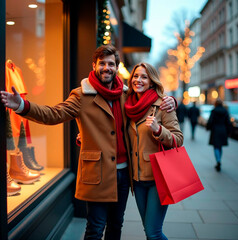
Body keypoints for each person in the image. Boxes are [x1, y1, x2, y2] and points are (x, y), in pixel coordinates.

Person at [0, 45, 176, 240]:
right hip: (97, 173)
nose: (107, 68)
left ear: (116, 68)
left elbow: (150, 101)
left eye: (111, 64)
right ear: (94, 65)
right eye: (102, 64)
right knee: (95, 228)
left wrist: (171, 102)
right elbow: (53, 114)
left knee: (116, 225)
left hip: (124, 174)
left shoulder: (126, 94)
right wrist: (22, 106)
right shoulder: (81, 95)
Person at [124, 62, 184, 240]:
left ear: (152, 81)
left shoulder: (163, 105)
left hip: (159, 177)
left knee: (153, 232)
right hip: (137, 179)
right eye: (135, 76)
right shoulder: (127, 105)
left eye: (144, 77)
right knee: (149, 231)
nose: (138, 80)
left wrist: (159, 130)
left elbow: (178, 140)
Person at [206, 98, 232, 172]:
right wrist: (229, 131)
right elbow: (228, 122)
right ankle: (219, 159)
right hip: (223, 130)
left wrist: (208, 128)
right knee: (220, 146)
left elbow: (210, 121)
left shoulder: (214, 111)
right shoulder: (225, 111)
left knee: (216, 146)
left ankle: (218, 161)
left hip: (215, 130)